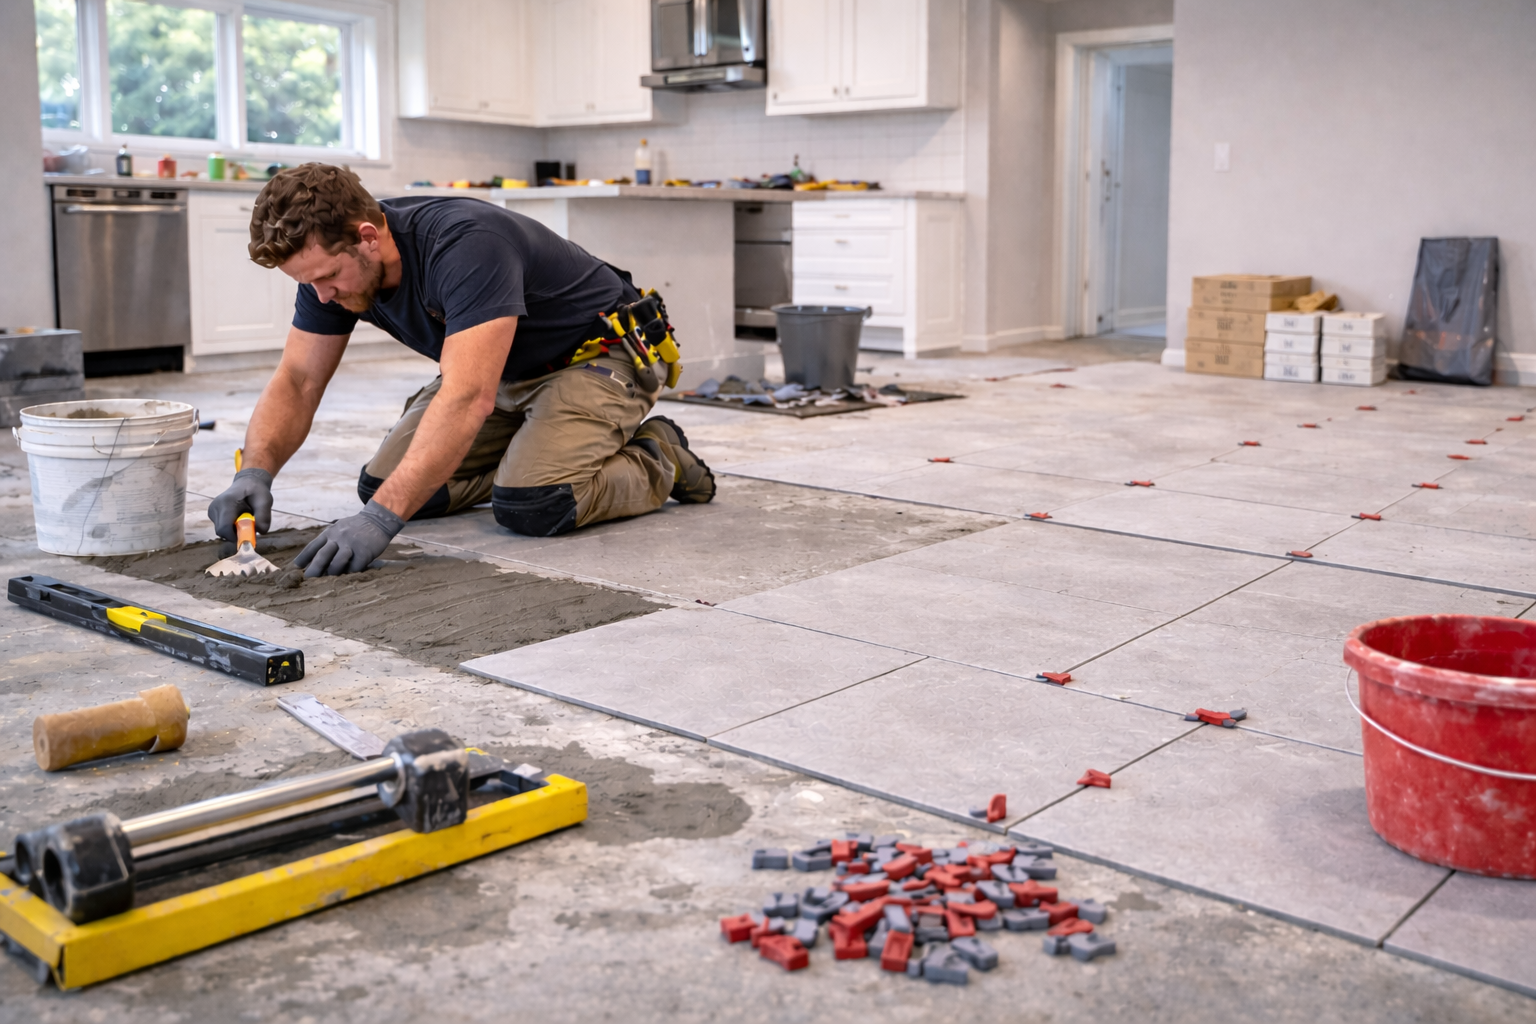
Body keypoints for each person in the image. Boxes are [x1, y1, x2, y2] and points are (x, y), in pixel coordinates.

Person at [207, 163, 714, 577]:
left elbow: (468, 396)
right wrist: (255, 470)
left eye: (327, 278)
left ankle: (657, 455)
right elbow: (298, 379)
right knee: (383, 485)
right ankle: (537, 452)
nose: (322, 296)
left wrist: (380, 522)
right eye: (308, 283)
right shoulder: (328, 267)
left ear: (367, 236)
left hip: (597, 355)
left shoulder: (465, 245)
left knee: (536, 502)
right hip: (505, 372)